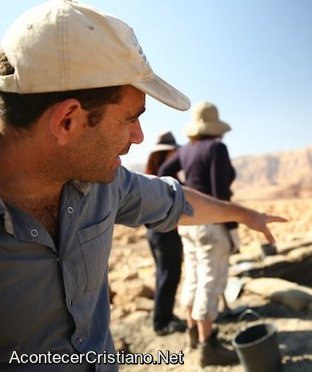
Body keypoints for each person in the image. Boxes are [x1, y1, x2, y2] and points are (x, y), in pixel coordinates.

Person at [0, 2, 285, 371]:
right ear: (67, 121)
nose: (138, 137)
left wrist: (244, 215)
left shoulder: (103, 183)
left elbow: (174, 200)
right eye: (130, 119)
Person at [159, 101, 240, 367]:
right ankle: (208, 345)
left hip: (187, 221)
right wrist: (231, 225)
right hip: (211, 222)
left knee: (193, 274)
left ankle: (192, 332)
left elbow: (163, 173)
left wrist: (181, 195)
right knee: (210, 277)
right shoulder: (217, 147)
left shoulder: (186, 150)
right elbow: (219, 190)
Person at [144, 132, 187, 336]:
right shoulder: (165, 176)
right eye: (174, 152)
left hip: (157, 233)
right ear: (165, 153)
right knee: (169, 275)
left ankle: (164, 316)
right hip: (165, 233)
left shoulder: (153, 174)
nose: (177, 155)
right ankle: (162, 323)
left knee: (164, 274)